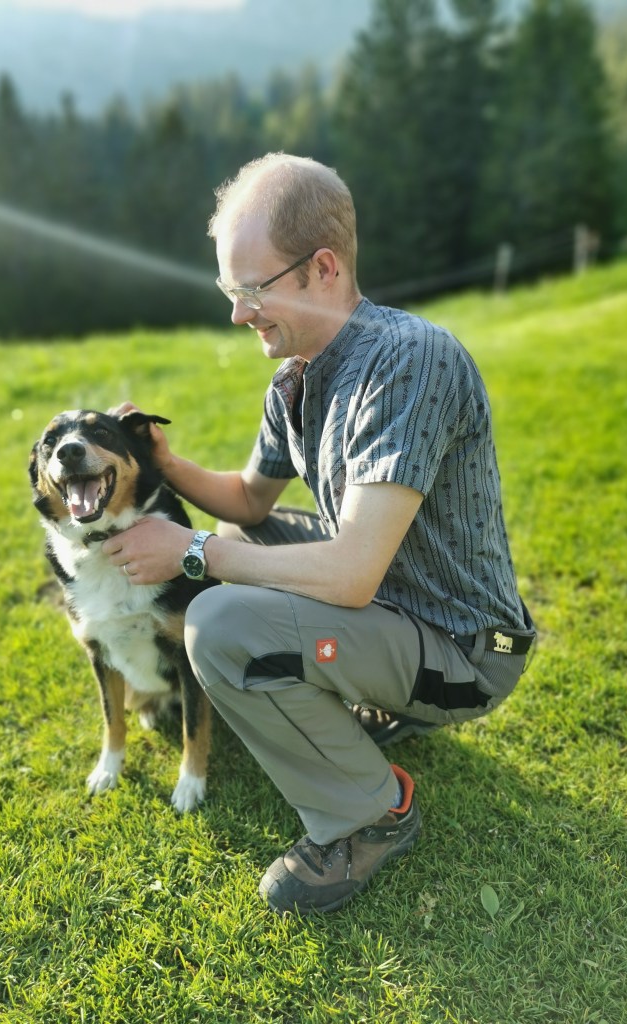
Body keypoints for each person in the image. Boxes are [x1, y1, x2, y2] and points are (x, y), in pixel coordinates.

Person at [103, 152, 535, 915]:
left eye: (251, 289)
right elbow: (248, 500)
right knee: (248, 539)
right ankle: (361, 707)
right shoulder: (296, 380)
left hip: (464, 651)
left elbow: (352, 574)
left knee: (218, 621)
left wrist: (191, 553)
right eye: (228, 292)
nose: (238, 314)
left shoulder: (408, 361)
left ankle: (369, 815)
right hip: (392, 609)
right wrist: (164, 463)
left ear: (323, 268)